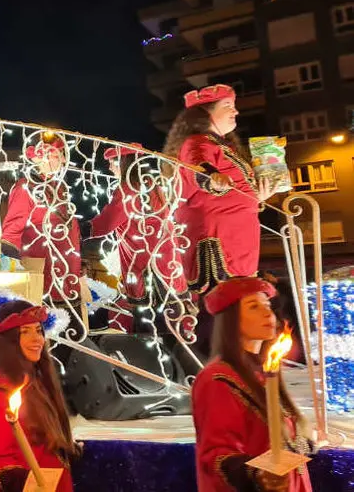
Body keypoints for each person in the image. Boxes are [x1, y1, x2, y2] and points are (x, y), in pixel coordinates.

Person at [192, 277, 312, 492]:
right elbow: (216, 455)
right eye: (254, 307)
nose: (268, 314)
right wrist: (257, 474)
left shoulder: (266, 373)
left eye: (268, 306)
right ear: (231, 318)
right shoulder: (217, 379)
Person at [162, 85, 275, 296]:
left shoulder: (222, 146)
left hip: (239, 244)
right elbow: (197, 164)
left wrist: (256, 197)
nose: (236, 111)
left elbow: (235, 191)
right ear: (205, 113)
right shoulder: (196, 142)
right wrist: (211, 178)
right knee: (221, 309)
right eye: (228, 105)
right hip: (219, 244)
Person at [82, 143, 189, 335]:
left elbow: (107, 222)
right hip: (168, 267)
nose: (110, 168)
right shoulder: (154, 186)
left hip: (146, 271)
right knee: (174, 326)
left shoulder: (127, 190)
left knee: (150, 332)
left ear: (123, 163)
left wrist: (79, 230)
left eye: (113, 162)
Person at [0, 300, 77, 492]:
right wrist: (28, 484)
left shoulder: (35, 380)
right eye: (25, 332)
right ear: (10, 341)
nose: (37, 340)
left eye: (38, 331)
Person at [1, 136, 83, 307]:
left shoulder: (58, 187)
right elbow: (12, 231)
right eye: (56, 155)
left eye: (61, 155)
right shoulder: (26, 187)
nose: (61, 160)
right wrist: (13, 269)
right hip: (44, 275)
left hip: (67, 275)